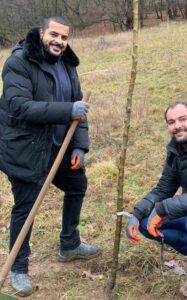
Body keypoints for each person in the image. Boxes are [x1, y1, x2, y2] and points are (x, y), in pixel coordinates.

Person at [0, 16, 100, 296]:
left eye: (64, 37)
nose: (59, 41)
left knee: (77, 185)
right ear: (41, 33)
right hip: (27, 149)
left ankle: (70, 244)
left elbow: (80, 110)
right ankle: (19, 268)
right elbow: (20, 107)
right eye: (54, 35)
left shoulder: (68, 64)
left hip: (61, 146)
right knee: (26, 207)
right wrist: (67, 111)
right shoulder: (19, 63)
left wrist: (79, 146)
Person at [126, 100, 187, 300]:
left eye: (182, 119)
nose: (176, 125)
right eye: (171, 122)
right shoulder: (177, 150)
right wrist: (136, 213)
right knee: (146, 223)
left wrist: (163, 209)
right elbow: (164, 188)